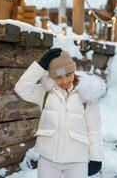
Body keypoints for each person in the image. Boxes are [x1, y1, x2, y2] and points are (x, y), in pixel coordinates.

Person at [14, 48, 104, 178]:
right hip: (48, 160)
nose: (65, 80)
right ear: (51, 76)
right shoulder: (45, 91)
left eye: (68, 74)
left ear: (73, 71)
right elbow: (21, 89)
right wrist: (39, 67)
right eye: (59, 77)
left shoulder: (87, 92)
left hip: (77, 161)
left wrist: (96, 157)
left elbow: (94, 128)